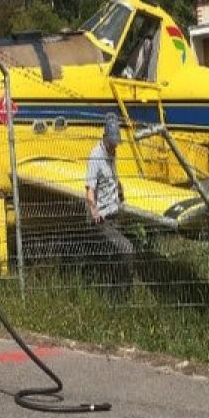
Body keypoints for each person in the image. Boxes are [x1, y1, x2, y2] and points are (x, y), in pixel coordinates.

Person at [86, 113, 133, 296]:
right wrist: (94, 210)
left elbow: (112, 178)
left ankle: (111, 291)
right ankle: (123, 294)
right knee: (126, 249)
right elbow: (89, 188)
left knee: (113, 257)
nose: (115, 146)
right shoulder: (96, 157)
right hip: (102, 218)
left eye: (116, 142)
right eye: (112, 142)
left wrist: (120, 191)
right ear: (105, 137)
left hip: (115, 213)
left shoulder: (112, 152)